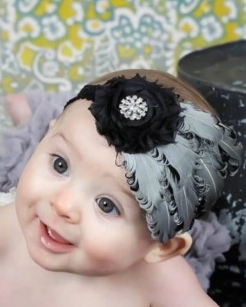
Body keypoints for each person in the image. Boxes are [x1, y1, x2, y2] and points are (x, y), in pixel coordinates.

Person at [0, 69, 242, 307]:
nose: (63, 204)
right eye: (60, 165)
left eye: (107, 205)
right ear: (47, 136)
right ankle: (33, 114)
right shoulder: (9, 228)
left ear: (161, 247)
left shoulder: (161, 279)